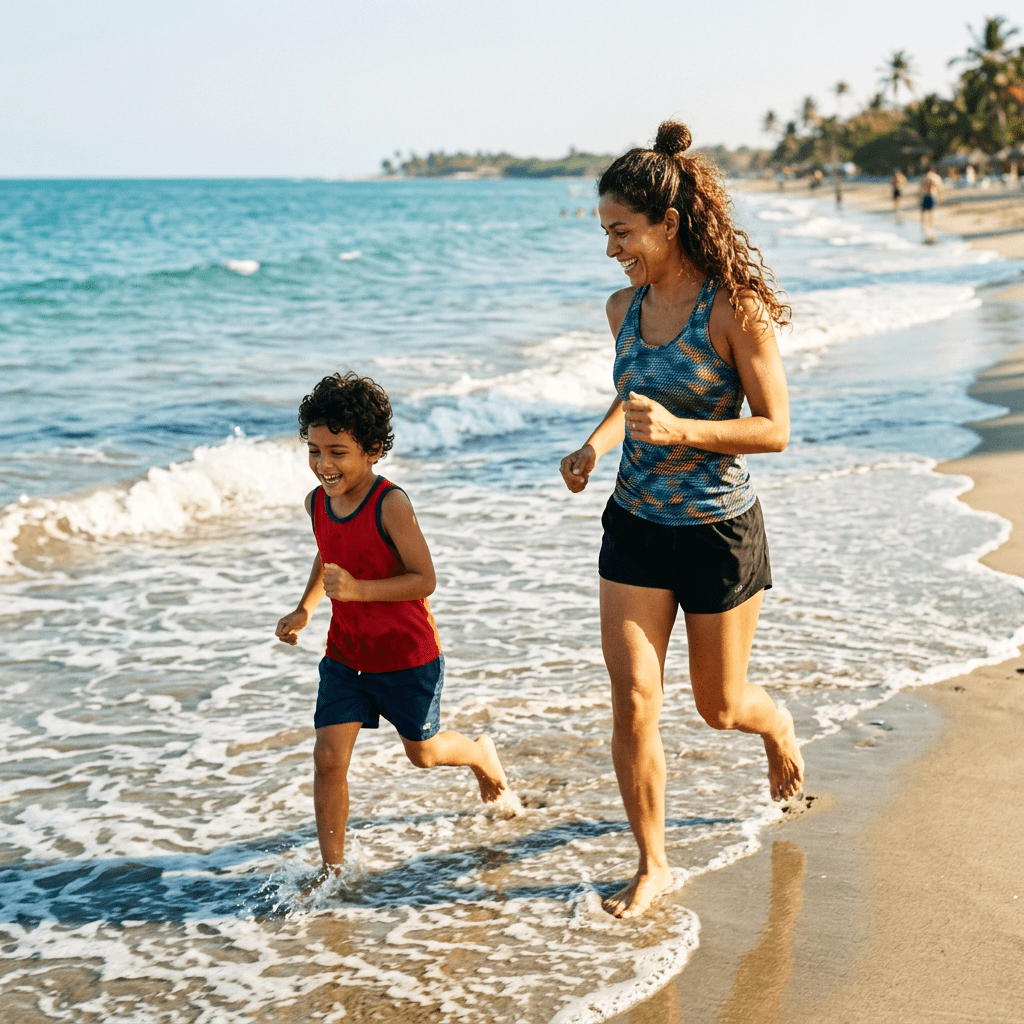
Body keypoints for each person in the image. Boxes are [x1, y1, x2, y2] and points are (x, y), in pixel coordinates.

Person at [559, 121, 803, 919]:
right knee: (633, 700)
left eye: (621, 232)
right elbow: (634, 400)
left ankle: (775, 728)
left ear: (668, 223)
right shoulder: (621, 307)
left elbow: (774, 428)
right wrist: (594, 446)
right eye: (605, 233)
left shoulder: (734, 310)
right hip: (633, 524)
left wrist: (686, 430)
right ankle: (652, 863)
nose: (611, 250)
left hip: (715, 533)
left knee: (718, 707)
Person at [276, 372, 513, 883]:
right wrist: (306, 609)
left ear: (374, 450)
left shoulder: (391, 504)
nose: (324, 465)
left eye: (337, 451)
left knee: (423, 755)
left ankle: (479, 754)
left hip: (407, 656)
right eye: (314, 451)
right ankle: (332, 871)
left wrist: (359, 590)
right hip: (346, 656)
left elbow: (424, 579)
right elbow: (328, 554)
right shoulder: (316, 503)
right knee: (328, 759)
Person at [920, 167, 943, 243]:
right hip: (932, 195)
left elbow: (921, 188)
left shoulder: (925, 177)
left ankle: (925, 228)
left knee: (925, 213)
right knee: (931, 213)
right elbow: (940, 187)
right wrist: (940, 197)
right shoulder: (936, 177)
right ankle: (931, 229)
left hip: (926, 196)